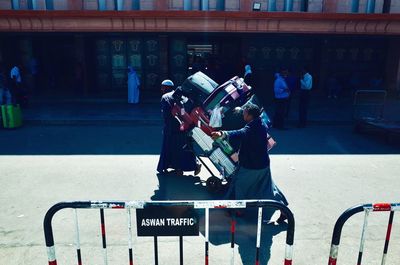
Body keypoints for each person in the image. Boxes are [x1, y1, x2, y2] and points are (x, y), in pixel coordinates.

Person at [211, 103, 288, 222]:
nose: (243, 114)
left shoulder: (251, 128)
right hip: (263, 164)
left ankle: (240, 210)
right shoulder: (261, 123)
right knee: (268, 188)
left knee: (239, 185)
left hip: (251, 166)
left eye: (245, 112)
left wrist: (222, 133)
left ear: (250, 115)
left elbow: (239, 133)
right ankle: (284, 210)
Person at [157, 79, 201, 175]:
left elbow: (166, 115)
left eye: (163, 87)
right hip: (184, 126)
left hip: (171, 128)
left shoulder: (165, 97)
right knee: (185, 147)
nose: (161, 89)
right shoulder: (181, 96)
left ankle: (172, 167)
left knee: (169, 147)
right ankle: (193, 164)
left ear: (166, 88)